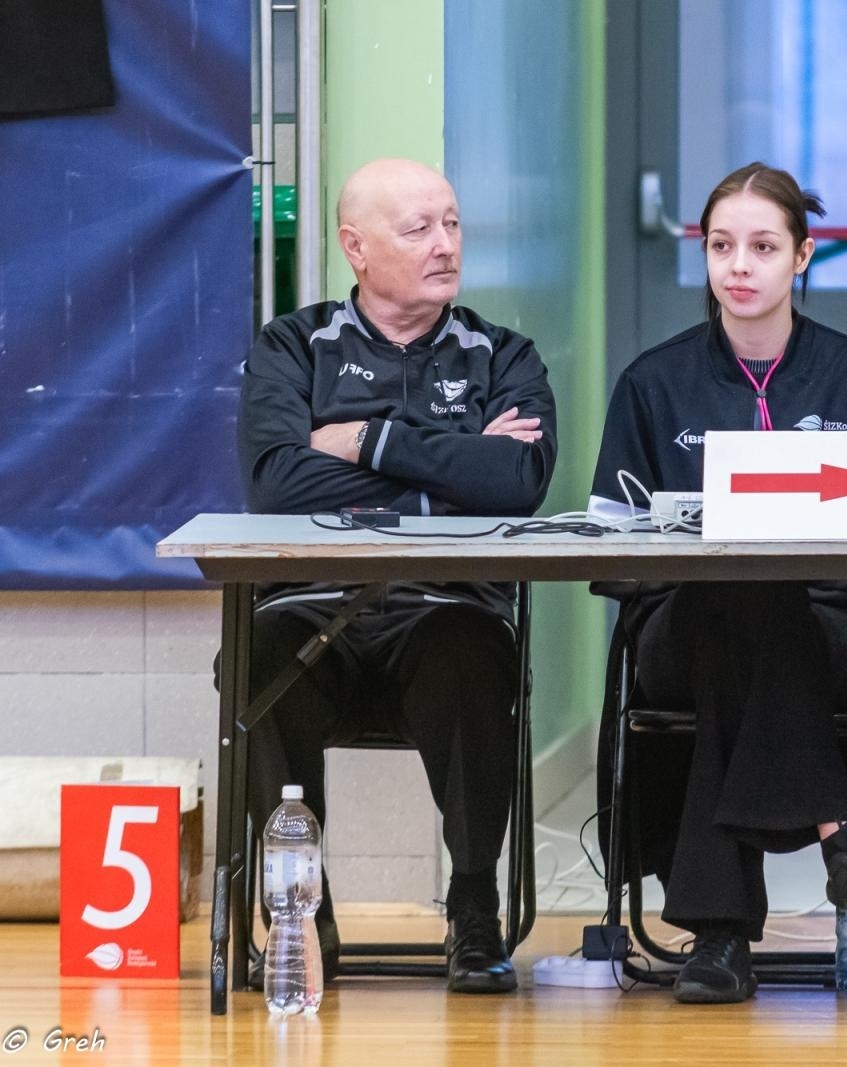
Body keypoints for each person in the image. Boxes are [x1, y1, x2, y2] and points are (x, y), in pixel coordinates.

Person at [588, 162, 847, 1005]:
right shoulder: (653, 381)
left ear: (803, 256)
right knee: (732, 587)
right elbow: (611, 555)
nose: (739, 265)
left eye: (763, 246)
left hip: (831, 633)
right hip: (679, 628)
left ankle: (720, 934)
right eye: (721, 246)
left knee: (760, 601)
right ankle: (841, 831)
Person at [235, 157, 558, 994]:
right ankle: (299, 911)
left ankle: (475, 906)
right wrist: (450, 474)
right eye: (420, 229)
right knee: (257, 649)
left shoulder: (504, 354)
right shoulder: (291, 347)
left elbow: (518, 484)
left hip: (443, 613)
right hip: (316, 614)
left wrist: (366, 442)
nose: (446, 245)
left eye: (452, 224)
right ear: (356, 247)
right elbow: (276, 482)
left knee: (475, 645)